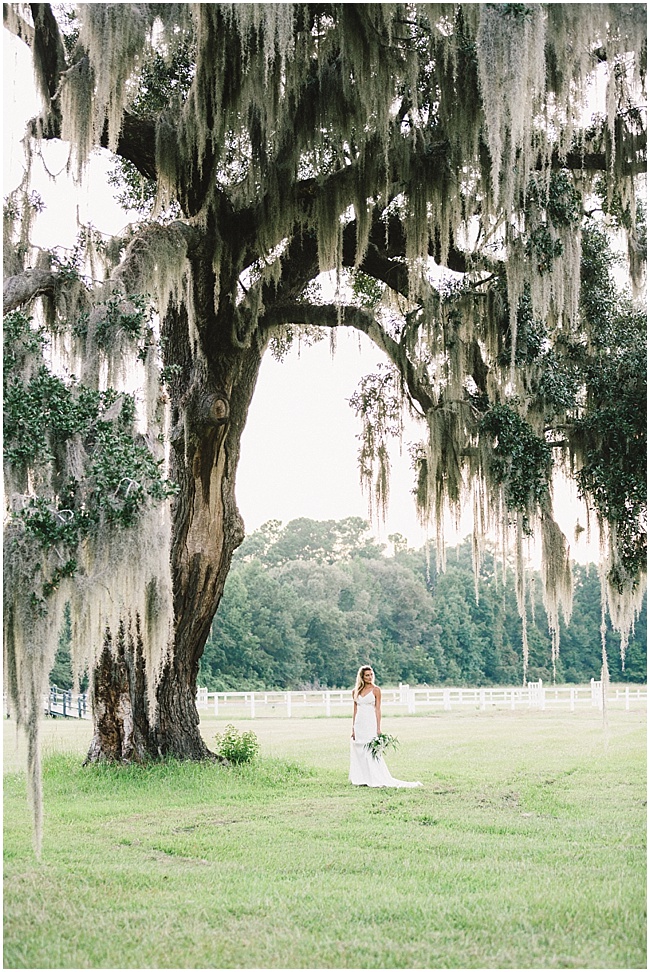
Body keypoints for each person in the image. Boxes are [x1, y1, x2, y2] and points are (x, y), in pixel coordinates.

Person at [349, 665, 422, 788]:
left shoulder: (376, 690)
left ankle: (375, 776)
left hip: (370, 722)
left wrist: (378, 728)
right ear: (362, 677)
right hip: (359, 723)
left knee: (370, 749)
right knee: (359, 749)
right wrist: (353, 728)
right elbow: (355, 710)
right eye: (367, 675)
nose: (370, 677)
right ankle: (361, 777)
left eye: (371, 674)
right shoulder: (355, 691)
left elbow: (378, 709)